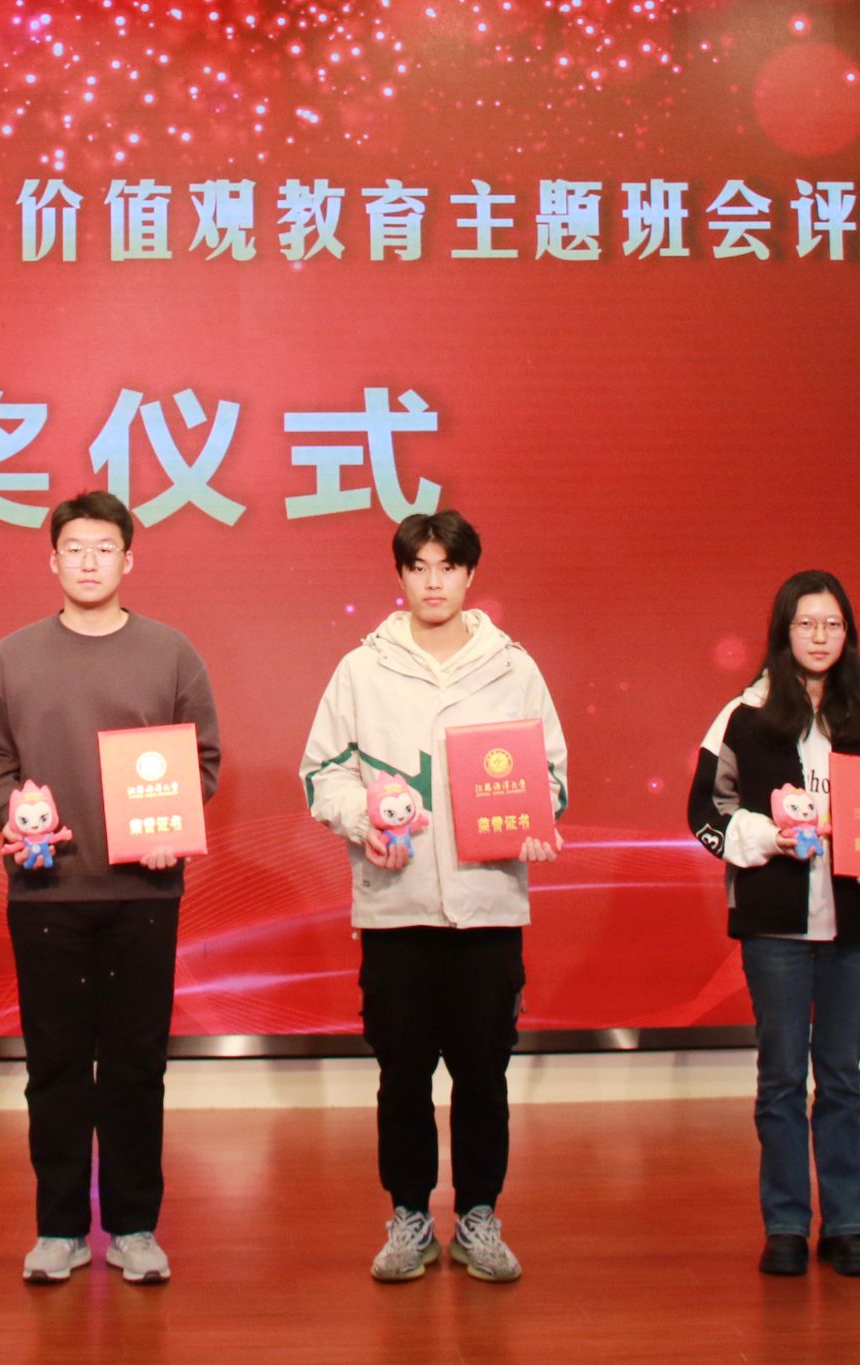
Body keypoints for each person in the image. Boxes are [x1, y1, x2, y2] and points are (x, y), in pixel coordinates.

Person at [0, 490, 221, 1286]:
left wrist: (175, 821)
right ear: (53, 560)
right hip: (47, 892)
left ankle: (136, 1226)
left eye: (104, 548)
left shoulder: (171, 652)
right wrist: (11, 811)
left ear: (128, 559)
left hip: (145, 892)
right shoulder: (13, 656)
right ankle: (60, 1228)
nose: (89, 561)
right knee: (56, 1067)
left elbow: (202, 760)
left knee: (137, 1065)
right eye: (74, 548)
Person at [300, 510, 565, 1285]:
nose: (433, 581)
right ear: (401, 577)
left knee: (484, 1074)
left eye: (448, 566)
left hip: (488, 905)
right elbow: (323, 773)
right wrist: (364, 820)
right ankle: (409, 1215)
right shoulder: (361, 669)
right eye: (418, 567)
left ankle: (479, 1214)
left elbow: (549, 774)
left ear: (470, 575)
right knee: (403, 1074)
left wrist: (535, 819)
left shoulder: (513, 667)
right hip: (397, 904)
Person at [686, 571, 860, 1278]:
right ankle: (784, 1225)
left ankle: (847, 1224)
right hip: (774, 926)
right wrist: (764, 838)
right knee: (781, 1077)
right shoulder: (744, 715)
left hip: (855, 924)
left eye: (832, 624)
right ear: (784, 632)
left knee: (841, 1076)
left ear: (848, 634)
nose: (819, 636)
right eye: (806, 623)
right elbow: (704, 811)